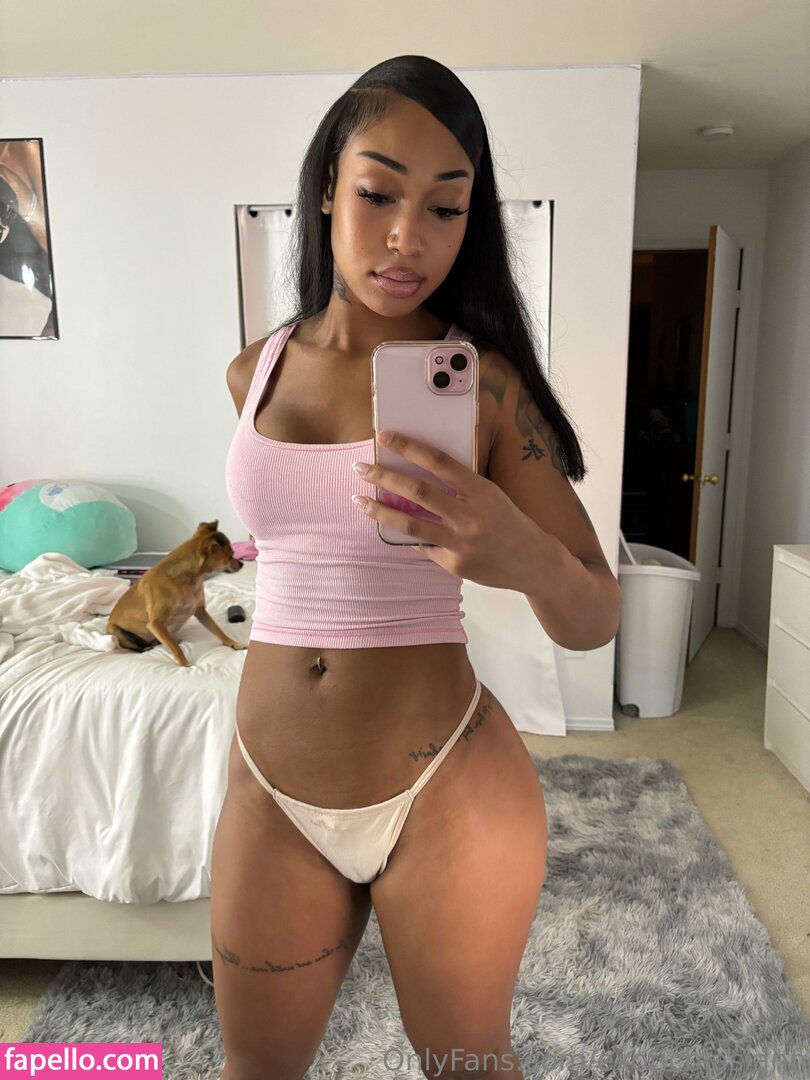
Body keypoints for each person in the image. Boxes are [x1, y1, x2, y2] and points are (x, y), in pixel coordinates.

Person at [213, 55, 620, 1080]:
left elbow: (596, 616)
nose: (409, 237)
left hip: (445, 789)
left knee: (468, 1070)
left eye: (445, 208)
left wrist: (517, 553)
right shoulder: (253, 370)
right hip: (270, 785)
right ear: (326, 189)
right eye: (378, 194)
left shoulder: (485, 388)